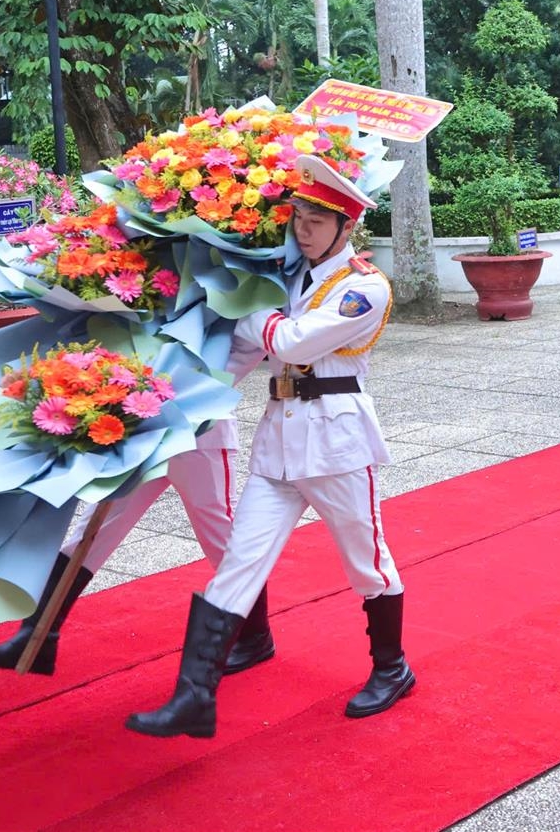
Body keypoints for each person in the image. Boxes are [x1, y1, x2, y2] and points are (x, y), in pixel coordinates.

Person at [127, 158, 410, 738]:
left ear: (345, 226)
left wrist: (251, 304)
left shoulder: (363, 286)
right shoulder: (288, 275)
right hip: (281, 435)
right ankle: (193, 695)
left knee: (368, 562)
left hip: (336, 440)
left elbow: (291, 339)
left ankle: (392, 667)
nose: (301, 229)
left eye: (315, 220)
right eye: (297, 216)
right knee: (239, 563)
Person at [0, 422, 276, 678]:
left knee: (221, 538)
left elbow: (233, 366)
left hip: (199, 436)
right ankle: (37, 634)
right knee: (91, 534)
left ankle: (255, 635)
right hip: (145, 435)